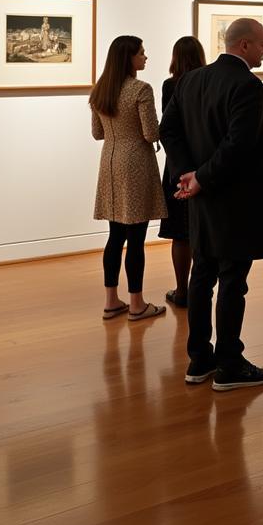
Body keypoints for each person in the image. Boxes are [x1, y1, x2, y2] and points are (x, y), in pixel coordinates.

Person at [159, 18, 263, 391]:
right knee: (231, 282)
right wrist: (202, 177)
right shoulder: (247, 84)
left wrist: (188, 173)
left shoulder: (190, 80)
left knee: (201, 277)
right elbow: (239, 145)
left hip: (201, 197)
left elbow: (169, 130)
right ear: (243, 45)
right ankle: (228, 363)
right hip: (235, 199)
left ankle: (198, 359)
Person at [91, 35, 167, 322]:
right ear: (129, 58)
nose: (145, 57)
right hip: (135, 163)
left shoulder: (100, 90)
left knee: (115, 236)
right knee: (135, 239)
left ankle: (111, 301)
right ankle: (137, 304)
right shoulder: (140, 89)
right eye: (142, 53)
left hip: (109, 163)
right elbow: (151, 133)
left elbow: (98, 133)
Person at [158, 36, 207, 309]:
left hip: (178, 163)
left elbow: (169, 126)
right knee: (204, 226)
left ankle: (182, 290)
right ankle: (200, 288)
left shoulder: (171, 85)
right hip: (204, 162)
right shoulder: (208, 82)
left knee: (180, 231)